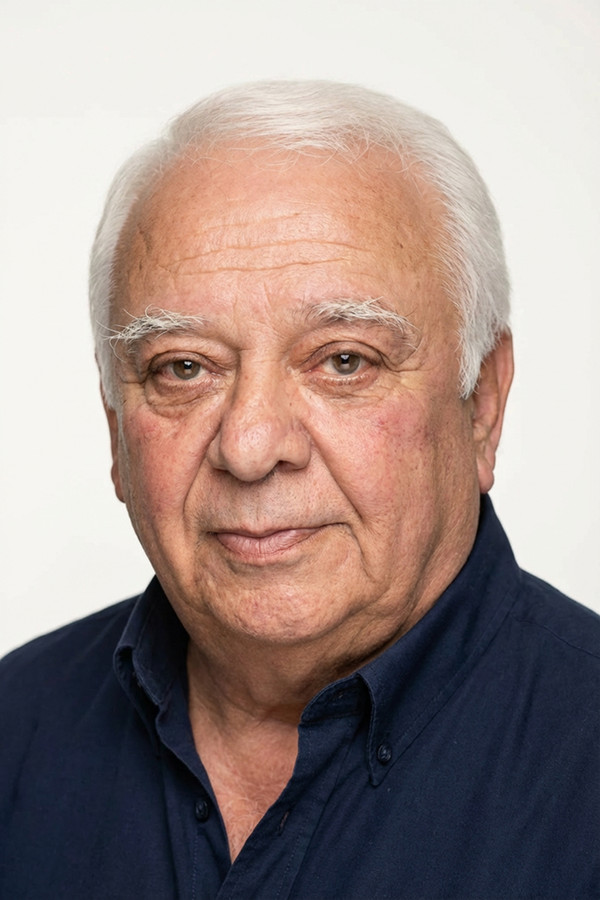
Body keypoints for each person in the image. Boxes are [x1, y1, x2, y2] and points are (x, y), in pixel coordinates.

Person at [1, 81, 598, 900]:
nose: (249, 448)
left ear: (482, 404)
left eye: (344, 360)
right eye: (183, 368)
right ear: (115, 428)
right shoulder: (14, 729)